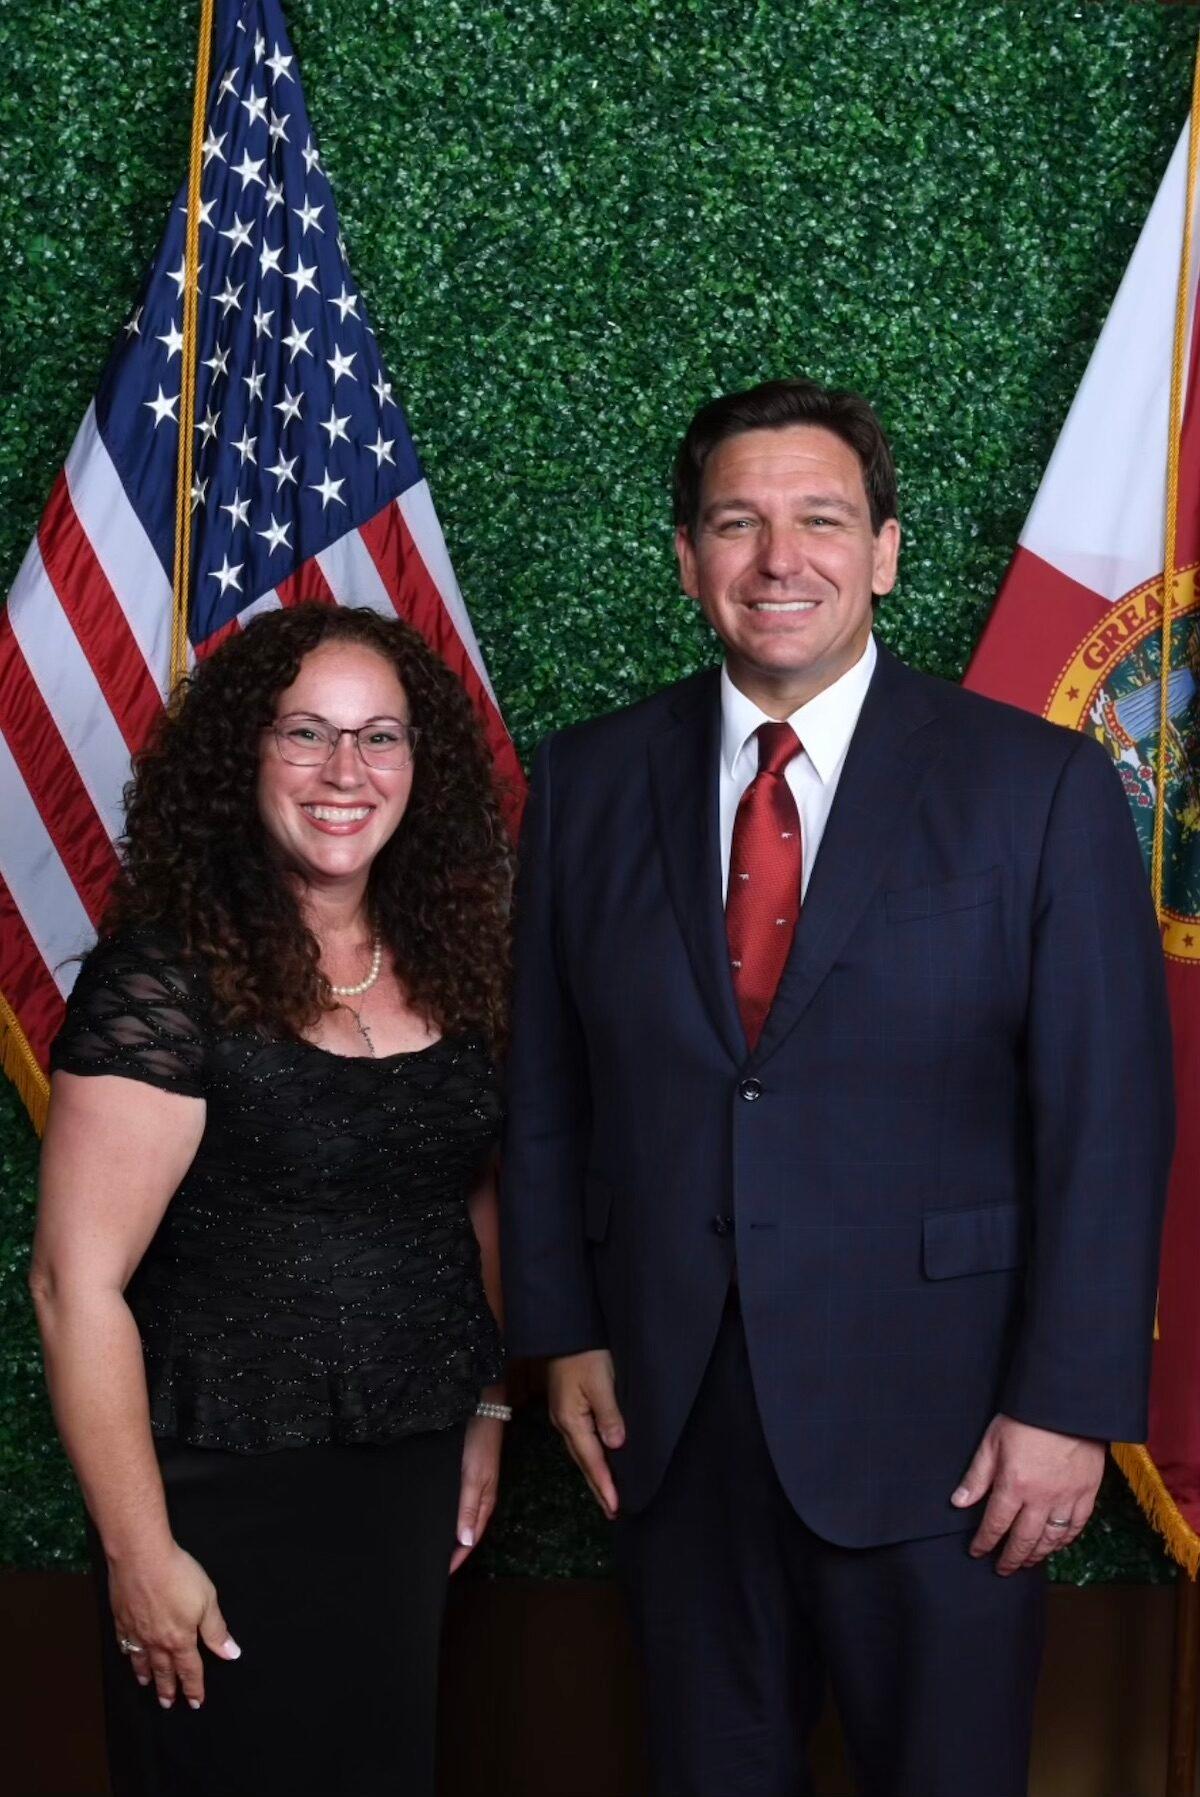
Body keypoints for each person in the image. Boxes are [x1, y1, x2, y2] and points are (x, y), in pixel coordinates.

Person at [500, 378, 1174, 1796]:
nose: (777, 559)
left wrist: (1068, 1405)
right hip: (671, 1428)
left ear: (886, 551)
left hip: (954, 1438)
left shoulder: (1039, 788)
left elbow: (1109, 1121)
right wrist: (560, 1328)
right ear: (686, 558)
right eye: (736, 523)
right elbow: (549, 1085)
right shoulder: (586, 780)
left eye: (820, 519)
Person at [30, 602, 512, 1797]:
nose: (345, 772)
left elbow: (481, 1196)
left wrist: (490, 1410)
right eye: (306, 734)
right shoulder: (166, 979)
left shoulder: (454, 957)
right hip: (214, 1491)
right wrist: (139, 1556)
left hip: (402, 1477)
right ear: (243, 758)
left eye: (379, 737)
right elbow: (71, 1284)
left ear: (422, 765)